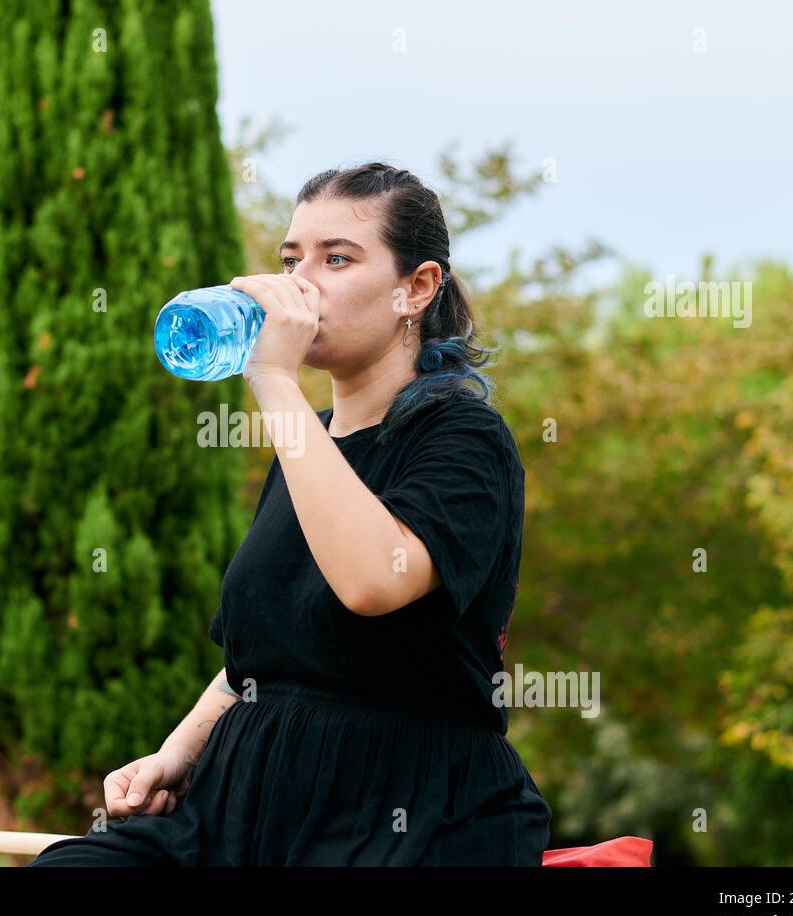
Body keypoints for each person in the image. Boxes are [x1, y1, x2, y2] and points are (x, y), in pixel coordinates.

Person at [29, 161, 551, 866]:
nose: (301, 281)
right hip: (234, 811)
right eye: (290, 259)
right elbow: (258, 661)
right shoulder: (309, 444)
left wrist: (273, 380)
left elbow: (372, 582)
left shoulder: (462, 436)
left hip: (404, 814)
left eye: (337, 259)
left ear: (416, 288)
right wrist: (172, 755)